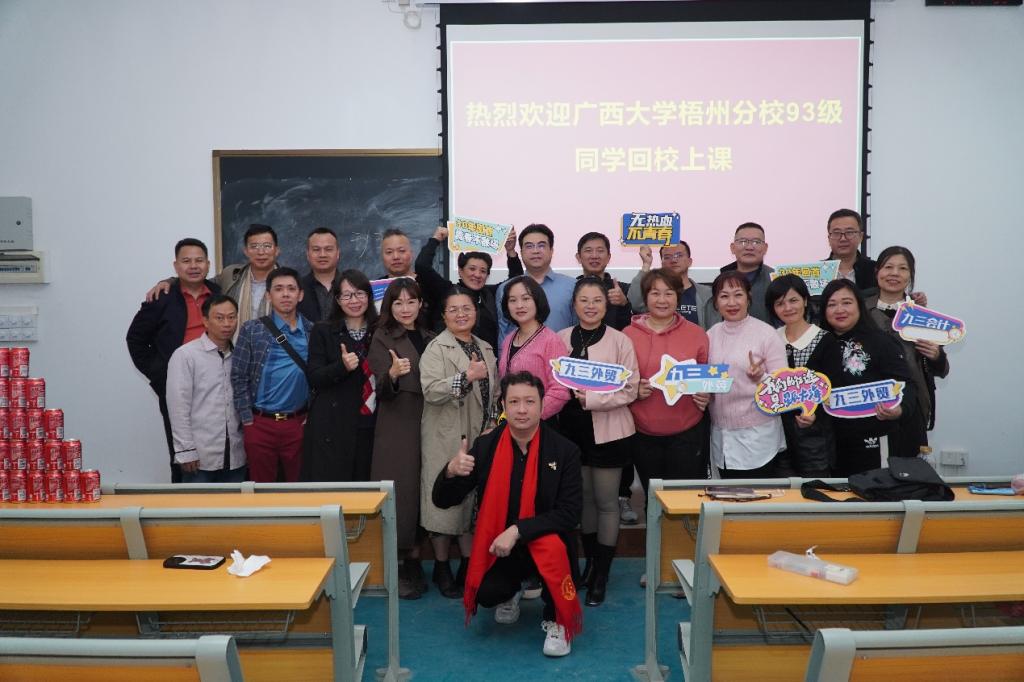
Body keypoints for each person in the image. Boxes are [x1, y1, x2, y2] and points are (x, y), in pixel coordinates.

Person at [433, 372, 582, 657]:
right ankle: (513, 590)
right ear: (503, 405)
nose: (522, 409)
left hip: (548, 544)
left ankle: (558, 620)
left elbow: (569, 513)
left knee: (553, 548)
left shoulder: (565, 451)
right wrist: (450, 471)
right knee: (486, 592)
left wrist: (518, 530)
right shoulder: (486, 446)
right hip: (502, 547)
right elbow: (443, 500)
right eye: (514, 402)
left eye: (529, 401)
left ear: (542, 405)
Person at [556, 277, 638, 606]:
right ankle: (589, 564)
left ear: (607, 305)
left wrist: (591, 399)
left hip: (609, 433)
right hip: (571, 434)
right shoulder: (561, 338)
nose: (590, 306)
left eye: (597, 301)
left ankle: (602, 573)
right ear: (574, 305)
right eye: (584, 300)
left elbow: (630, 389)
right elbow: (553, 381)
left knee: (606, 502)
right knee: (585, 501)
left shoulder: (621, 341)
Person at [419, 288, 499, 598]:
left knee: (470, 503)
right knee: (443, 502)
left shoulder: (485, 347)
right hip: (446, 436)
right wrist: (466, 376)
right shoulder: (436, 348)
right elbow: (431, 390)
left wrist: (493, 423)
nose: (461, 314)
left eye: (466, 308)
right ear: (443, 316)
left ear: (475, 312)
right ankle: (441, 567)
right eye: (453, 309)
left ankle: (468, 563)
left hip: (480, 436)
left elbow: (493, 392)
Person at [127, 238, 219, 482]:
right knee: (183, 455)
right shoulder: (162, 297)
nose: (193, 266)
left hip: (217, 386)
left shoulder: (219, 294)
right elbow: (135, 339)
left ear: (208, 264)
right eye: (186, 261)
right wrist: (160, 375)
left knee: (219, 451)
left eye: (199, 260)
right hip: (177, 388)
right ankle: (182, 499)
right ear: (176, 266)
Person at [368, 277, 435, 599]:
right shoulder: (382, 336)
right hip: (399, 422)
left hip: (431, 420)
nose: (405, 308)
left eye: (411, 301)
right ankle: (399, 564)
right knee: (401, 491)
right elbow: (380, 387)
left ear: (421, 303)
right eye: (398, 302)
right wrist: (392, 375)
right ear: (389, 306)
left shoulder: (431, 336)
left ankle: (416, 560)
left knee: (424, 489)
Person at [815, 279, 915, 476]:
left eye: (847, 302)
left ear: (859, 305)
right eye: (832, 304)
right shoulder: (819, 344)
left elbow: (906, 385)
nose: (839, 310)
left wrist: (900, 409)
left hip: (874, 440)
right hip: (830, 443)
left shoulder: (881, 342)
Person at [623, 269, 710, 491]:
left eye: (669, 293)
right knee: (652, 498)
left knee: (685, 499)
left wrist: (706, 394)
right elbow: (620, 381)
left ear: (678, 297)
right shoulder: (627, 335)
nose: (662, 300)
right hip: (642, 433)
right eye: (655, 293)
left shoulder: (697, 334)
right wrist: (633, 390)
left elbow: (706, 378)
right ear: (645, 297)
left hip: (687, 432)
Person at [699, 271, 788, 478]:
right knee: (728, 494)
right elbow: (707, 382)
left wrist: (761, 378)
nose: (732, 302)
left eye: (738, 295)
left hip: (758, 435)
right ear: (715, 303)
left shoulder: (767, 334)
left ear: (748, 298)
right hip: (721, 435)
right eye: (724, 296)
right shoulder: (710, 335)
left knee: (757, 494)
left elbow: (783, 389)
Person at [231, 267, 314, 483]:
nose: (285, 294)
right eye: (278, 289)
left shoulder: (313, 332)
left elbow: (319, 378)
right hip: (260, 424)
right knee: (261, 490)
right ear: (268, 295)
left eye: (291, 289)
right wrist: (247, 420)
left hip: (298, 423)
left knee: (300, 488)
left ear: (300, 295)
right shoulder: (252, 330)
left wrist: (311, 415)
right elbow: (239, 376)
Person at [866, 246, 949, 458]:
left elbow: (943, 369)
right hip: (867, 403)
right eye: (888, 267)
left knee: (909, 469)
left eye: (903, 268)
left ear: (910, 275)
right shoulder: (860, 310)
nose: (894, 273)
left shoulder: (921, 315)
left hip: (912, 405)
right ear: (877, 271)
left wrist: (936, 355)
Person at [302, 269, 378, 483]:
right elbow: (314, 377)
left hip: (370, 421)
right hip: (333, 423)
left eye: (360, 293)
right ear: (337, 299)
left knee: (366, 486)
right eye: (347, 295)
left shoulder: (380, 330)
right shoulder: (323, 330)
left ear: (369, 296)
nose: (354, 301)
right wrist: (341, 367)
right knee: (333, 486)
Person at [165, 294, 247, 483]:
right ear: (205, 321)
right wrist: (186, 450)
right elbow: (178, 407)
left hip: (236, 456)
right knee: (197, 503)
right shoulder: (186, 355)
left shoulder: (240, 355)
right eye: (219, 318)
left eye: (232, 317)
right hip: (199, 457)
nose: (227, 324)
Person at [144, 224, 280, 333]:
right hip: (236, 353)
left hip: (277, 354)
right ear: (246, 251)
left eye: (267, 246)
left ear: (277, 250)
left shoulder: (287, 282)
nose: (261, 252)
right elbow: (198, 281)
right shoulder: (231, 274)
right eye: (254, 247)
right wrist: (168, 281)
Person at [765, 274, 836, 478]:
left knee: (815, 490)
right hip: (777, 437)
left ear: (805, 300)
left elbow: (833, 388)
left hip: (814, 439)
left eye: (793, 300)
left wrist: (815, 414)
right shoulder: (770, 338)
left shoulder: (825, 339)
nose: (787, 308)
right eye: (780, 303)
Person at [414, 224, 523, 349]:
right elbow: (422, 266)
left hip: (488, 358)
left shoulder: (490, 294)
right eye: (472, 269)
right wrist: (436, 239)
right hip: (451, 357)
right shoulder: (446, 291)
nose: (477, 275)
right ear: (460, 271)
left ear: (487, 275)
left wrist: (510, 251)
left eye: (483, 271)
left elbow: (516, 280)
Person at [498, 276, 570, 422]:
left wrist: (531, 417)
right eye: (512, 300)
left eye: (526, 298)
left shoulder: (552, 340)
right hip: (512, 422)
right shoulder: (508, 340)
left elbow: (560, 391)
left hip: (540, 423)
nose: (519, 305)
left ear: (537, 301)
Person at [496, 224, 576, 347]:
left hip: (562, 356)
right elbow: (503, 332)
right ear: (521, 252)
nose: (535, 251)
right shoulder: (505, 288)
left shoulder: (572, 286)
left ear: (551, 251)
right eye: (529, 246)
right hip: (519, 358)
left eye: (541, 245)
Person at [627, 241, 713, 329]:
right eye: (667, 257)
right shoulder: (654, 293)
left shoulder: (707, 294)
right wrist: (646, 264)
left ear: (689, 261)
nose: (673, 260)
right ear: (662, 263)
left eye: (679, 255)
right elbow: (634, 304)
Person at [712, 222, 774, 324]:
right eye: (743, 241)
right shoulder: (720, 280)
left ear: (765, 248)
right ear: (733, 248)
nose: (749, 247)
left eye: (756, 242)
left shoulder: (774, 279)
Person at [575, 232, 632, 330]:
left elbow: (630, 328)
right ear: (579, 257)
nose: (594, 256)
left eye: (600, 251)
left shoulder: (624, 290)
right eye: (588, 250)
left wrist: (624, 304)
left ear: (609, 257)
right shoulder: (570, 288)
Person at [824, 209, 876, 292]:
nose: (843, 239)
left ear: (861, 237)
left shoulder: (875, 270)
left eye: (849, 232)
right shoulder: (818, 271)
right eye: (837, 233)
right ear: (829, 238)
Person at [298, 227, 342, 322]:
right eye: (316, 249)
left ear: (338, 253)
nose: (322, 255)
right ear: (307, 254)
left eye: (328, 249)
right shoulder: (297, 288)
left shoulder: (352, 286)